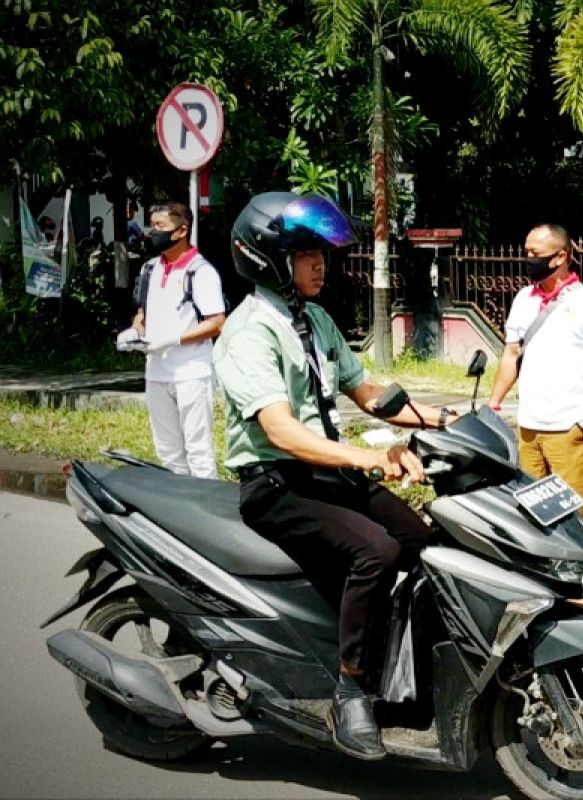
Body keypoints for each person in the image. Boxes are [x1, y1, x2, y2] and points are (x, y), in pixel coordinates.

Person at [214, 191, 456, 761]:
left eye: (322, 253)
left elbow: (364, 390)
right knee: (374, 550)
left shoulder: (313, 319)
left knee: (421, 539)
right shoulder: (249, 331)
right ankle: (350, 687)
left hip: (321, 474)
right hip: (276, 484)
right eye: (306, 254)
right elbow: (281, 432)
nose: (321, 264)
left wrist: (439, 420)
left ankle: (404, 659)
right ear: (270, 259)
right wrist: (368, 458)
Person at [487, 223, 583, 534]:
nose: (528, 259)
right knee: (529, 508)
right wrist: (493, 403)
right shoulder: (523, 299)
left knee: (577, 507)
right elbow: (511, 356)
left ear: (560, 257)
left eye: (536, 254)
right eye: (526, 252)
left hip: (569, 426)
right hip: (529, 426)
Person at [130, 201, 225, 478]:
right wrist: (135, 332)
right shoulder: (149, 269)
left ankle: (207, 510)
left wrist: (174, 339)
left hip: (191, 372)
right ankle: (178, 511)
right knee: (168, 452)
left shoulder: (201, 271)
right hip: (156, 372)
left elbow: (217, 322)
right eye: (152, 225)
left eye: (160, 226)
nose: (152, 232)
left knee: (198, 450)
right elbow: (142, 314)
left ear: (182, 230)